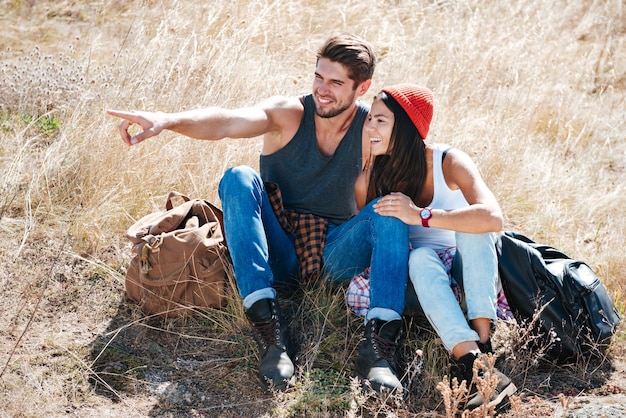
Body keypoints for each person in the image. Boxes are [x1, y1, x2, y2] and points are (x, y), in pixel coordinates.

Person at [108, 34, 409, 394]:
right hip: (276, 248)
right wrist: (166, 120)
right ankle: (271, 332)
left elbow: (422, 160)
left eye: (336, 82)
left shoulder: (373, 129)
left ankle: (377, 350)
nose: (322, 89)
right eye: (318, 77)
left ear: (363, 88)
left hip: (334, 253)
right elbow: (226, 122)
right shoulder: (290, 114)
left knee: (391, 207)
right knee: (238, 176)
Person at [351, 83, 517, 410]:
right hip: (424, 285)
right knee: (422, 257)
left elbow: (493, 218)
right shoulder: (370, 180)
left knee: (473, 223)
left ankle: (481, 344)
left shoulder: (448, 161)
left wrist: (420, 215)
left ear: (408, 129)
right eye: (370, 119)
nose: (369, 126)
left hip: (471, 277)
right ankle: (475, 361)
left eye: (380, 121)